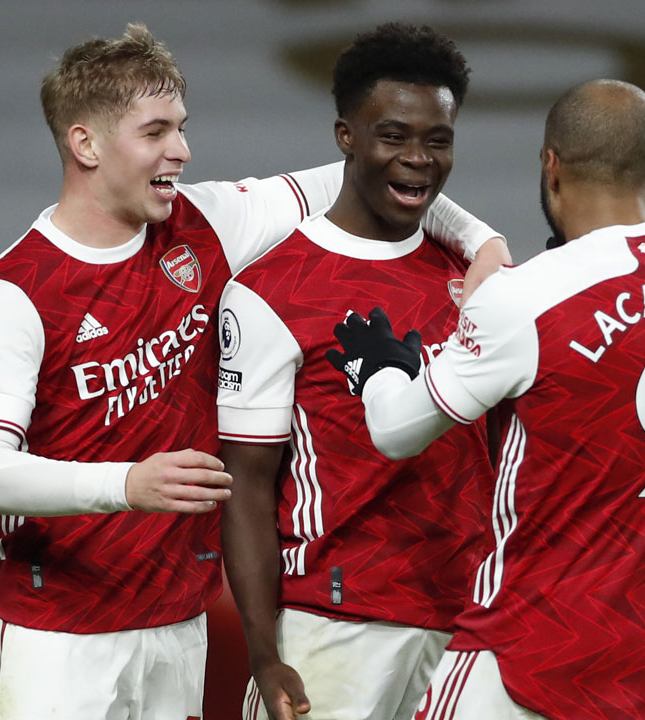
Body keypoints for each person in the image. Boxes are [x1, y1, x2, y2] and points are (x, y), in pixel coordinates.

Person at [0, 24, 506, 719]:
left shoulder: (206, 222)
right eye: (156, 133)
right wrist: (127, 484)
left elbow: (381, 172)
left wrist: (483, 243)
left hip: (177, 624)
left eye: (181, 128)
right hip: (52, 633)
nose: (181, 151)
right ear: (85, 144)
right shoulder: (17, 290)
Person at [327, 79, 645, 720]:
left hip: (522, 652)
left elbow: (394, 431)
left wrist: (383, 368)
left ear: (551, 166)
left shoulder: (527, 297)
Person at [216, 23, 497, 720]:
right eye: (393, 136)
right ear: (346, 136)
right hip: (335, 625)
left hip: (470, 622)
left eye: (438, 140)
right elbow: (246, 485)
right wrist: (263, 652)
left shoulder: (475, 276)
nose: (418, 160)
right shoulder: (271, 291)